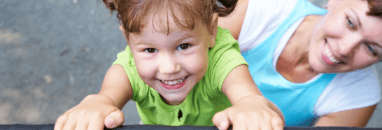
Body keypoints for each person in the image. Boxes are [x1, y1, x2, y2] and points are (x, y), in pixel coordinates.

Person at [54, 0, 285, 130]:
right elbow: (105, 98)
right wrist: (96, 104)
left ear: (211, 31)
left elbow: (247, 97)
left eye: (183, 46)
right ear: (128, 40)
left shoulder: (221, 57)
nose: (168, 67)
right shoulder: (129, 68)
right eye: (150, 50)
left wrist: (251, 107)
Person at [218, 0, 382, 127]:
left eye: (371, 48)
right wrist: (248, 100)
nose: (345, 49)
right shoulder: (265, 8)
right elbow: (194, 50)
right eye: (350, 22)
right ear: (334, 1)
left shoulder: (361, 92)